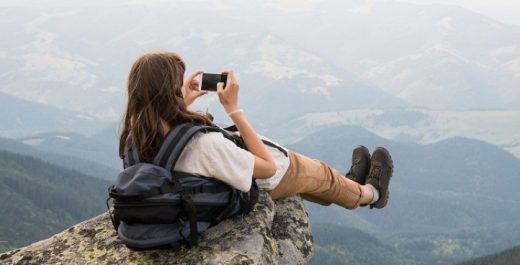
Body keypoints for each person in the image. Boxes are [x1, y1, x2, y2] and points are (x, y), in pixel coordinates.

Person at [118, 51, 393, 213]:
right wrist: (233, 110)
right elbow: (267, 168)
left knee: (325, 184)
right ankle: (372, 193)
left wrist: (182, 103)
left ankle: (351, 186)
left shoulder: (136, 136)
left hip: (205, 180)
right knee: (322, 176)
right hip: (263, 179)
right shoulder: (204, 145)